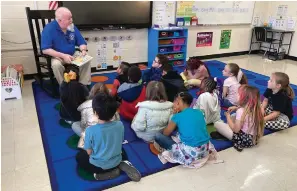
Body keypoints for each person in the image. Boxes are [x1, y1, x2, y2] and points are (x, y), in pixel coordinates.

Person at [76, 93, 141, 181]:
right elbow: (120, 141)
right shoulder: (120, 124)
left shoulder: (90, 130)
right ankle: (123, 163)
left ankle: (103, 174)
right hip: (116, 159)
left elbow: (89, 152)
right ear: (114, 112)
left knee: (79, 157)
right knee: (122, 150)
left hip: (100, 165)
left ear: (95, 112)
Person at [154, 92, 220, 168]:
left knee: (158, 135)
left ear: (178, 103)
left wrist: (174, 115)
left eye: (175, 102)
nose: (173, 104)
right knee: (180, 133)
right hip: (204, 150)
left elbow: (165, 133)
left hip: (191, 154)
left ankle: (176, 153)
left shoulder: (177, 116)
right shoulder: (199, 112)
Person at [41, 7, 91, 86]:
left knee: (86, 59)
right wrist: (63, 56)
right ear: (60, 20)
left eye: (71, 17)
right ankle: (64, 87)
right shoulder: (49, 29)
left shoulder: (71, 26)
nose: (71, 20)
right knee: (56, 65)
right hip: (58, 56)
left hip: (73, 54)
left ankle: (83, 85)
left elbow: (81, 42)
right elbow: (45, 50)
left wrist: (83, 50)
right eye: (69, 18)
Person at [212, 85, 264, 152]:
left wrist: (228, 117)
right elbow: (245, 110)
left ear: (243, 98)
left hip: (243, 140)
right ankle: (227, 130)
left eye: (238, 94)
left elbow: (235, 130)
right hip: (254, 139)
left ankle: (226, 134)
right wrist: (236, 108)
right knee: (234, 115)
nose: (236, 95)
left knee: (217, 124)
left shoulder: (241, 111)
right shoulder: (257, 108)